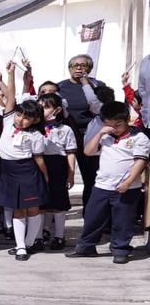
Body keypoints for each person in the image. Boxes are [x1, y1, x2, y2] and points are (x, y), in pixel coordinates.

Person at [69, 101, 148, 264]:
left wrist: (128, 182)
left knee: (123, 221)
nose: (114, 129)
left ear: (127, 119)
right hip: (101, 186)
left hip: (126, 188)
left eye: (118, 125)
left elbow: (140, 162)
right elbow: (88, 152)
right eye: (109, 125)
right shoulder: (105, 136)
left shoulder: (139, 137)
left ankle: (120, 249)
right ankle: (86, 246)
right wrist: (99, 134)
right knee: (93, 217)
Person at [0, 64, 48, 260]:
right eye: (19, 114)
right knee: (17, 210)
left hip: (27, 172)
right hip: (7, 171)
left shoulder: (36, 136)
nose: (21, 119)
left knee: (32, 209)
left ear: (35, 120)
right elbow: (11, 97)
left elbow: (39, 158)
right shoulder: (9, 121)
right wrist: (10, 74)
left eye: (27, 118)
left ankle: (30, 242)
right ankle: (20, 246)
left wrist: (45, 177)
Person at [57, 54, 103, 207]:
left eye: (83, 65)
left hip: (90, 135)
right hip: (66, 134)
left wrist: (85, 83)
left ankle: (90, 211)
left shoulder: (97, 85)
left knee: (91, 177)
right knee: (60, 175)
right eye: (75, 65)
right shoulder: (60, 87)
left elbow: (102, 109)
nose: (78, 68)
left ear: (89, 68)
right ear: (69, 68)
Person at [37, 92, 77, 250]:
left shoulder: (65, 129)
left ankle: (59, 236)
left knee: (58, 203)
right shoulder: (34, 128)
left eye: (46, 107)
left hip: (57, 166)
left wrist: (71, 174)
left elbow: (70, 152)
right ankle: (38, 236)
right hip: (39, 164)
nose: (42, 110)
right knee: (40, 203)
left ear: (58, 110)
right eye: (40, 106)